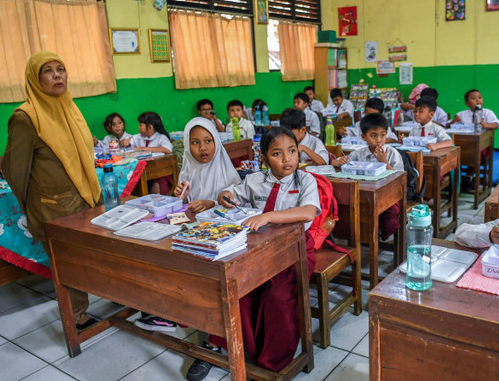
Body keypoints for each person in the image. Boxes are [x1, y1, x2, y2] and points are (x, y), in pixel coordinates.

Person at [185, 127, 320, 381]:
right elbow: (229, 195)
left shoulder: (305, 180)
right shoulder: (255, 180)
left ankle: (271, 362)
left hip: (295, 250)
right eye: (277, 154)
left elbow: (308, 213)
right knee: (235, 291)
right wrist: (224, 197)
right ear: (265, 158)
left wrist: (267, 216)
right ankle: (221, 347)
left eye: (292, 151)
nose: (287, 159)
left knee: (277, 296)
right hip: (258, 249)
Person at [2, 51, 102, 330]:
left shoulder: (70, 108)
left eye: (61, 69)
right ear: (35, 79)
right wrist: (35, 206)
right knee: (67, 267)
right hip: (54, 207)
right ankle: (77, 318)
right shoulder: (26, 117)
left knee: (88, 261)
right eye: (48, 70)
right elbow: (15, 171)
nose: (58, 75)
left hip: (85, 200)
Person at [135, 117, 241, 332]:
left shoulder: (227, 171)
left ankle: (177, 315)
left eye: (208, 141)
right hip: (191, 231)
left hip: (219, 240)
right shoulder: (188, 169)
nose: (202, 148)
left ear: (216, 143)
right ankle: (167, 311)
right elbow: (186, 204)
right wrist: (180, 196)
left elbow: (238, 207)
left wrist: (211, 202)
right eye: (195, 142)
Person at [332, 113, 402, 240]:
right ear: (364, 137)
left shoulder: (392, 153)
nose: (379, 140)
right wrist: (337, 162)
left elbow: (399, 179)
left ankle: (381, 235)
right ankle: (361, 236)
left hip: (389, 195)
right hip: (364, 194)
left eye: (382, 135)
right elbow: (338, 161)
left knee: (392, 215)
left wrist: (384, 162)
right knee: (348, 208)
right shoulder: (359, 153)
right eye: (373, 136)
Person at [124, 111, 173, 194]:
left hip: (159, 172)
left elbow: (167, 149)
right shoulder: (139, 137)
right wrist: (126, 142)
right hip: (144, 173)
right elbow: (128, 143)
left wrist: (144, 148)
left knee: (156, 187)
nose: (139, 127)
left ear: (150, 127)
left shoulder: (161, 137)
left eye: (141, 125)